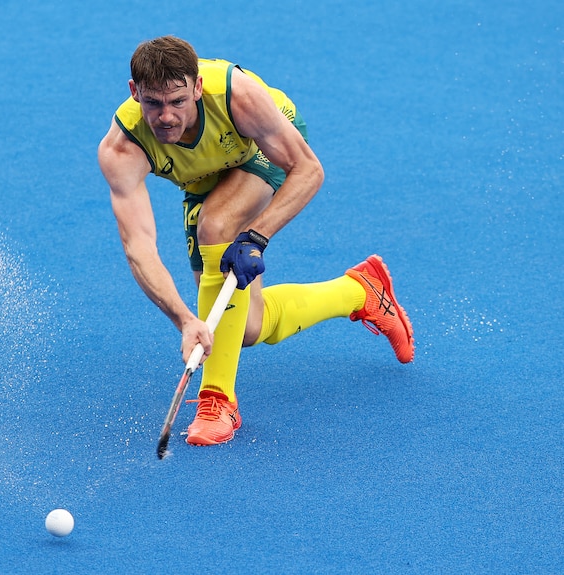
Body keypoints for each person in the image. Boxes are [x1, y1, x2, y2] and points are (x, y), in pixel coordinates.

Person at [97, 36, 414, 447]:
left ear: (197, 88)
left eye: (177, 101)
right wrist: (185, 320)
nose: (166, 117)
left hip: (262, 147)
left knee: (215, 226)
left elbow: (308, 170)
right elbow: (139, 247)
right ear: (134, 92)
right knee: (245, 327)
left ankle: (217, 400)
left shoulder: (236, 96)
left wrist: (256, 237)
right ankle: (359, 291)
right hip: (206, 179)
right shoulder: (123, 147)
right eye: (154, 103)